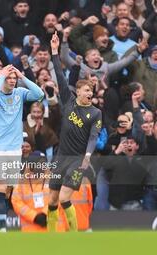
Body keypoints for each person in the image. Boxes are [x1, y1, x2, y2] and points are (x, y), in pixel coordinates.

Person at [48, 32, 102, 231]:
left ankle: (74, 235)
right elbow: (60, 74)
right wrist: (54, 51)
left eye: (91, 91)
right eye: (87, 90)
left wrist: (87, 155)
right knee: (52, 199)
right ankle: (50, 237)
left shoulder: (96, 113)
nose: (90, 93)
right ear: (78, 92)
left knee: (64, 197)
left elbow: (94, 136)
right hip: (60, 157)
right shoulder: (69, 102)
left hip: (78, 160)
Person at [0, 64, 44, 232]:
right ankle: (2, 229)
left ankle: (2, 221)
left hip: (14, 148)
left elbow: (39, 94)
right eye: (8, 78)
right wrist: (1, 77)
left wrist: (22, 77)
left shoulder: (20, 93)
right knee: (0, 187)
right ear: (2, 78)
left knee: (9, 190)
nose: (11, 81)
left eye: (13, 78)